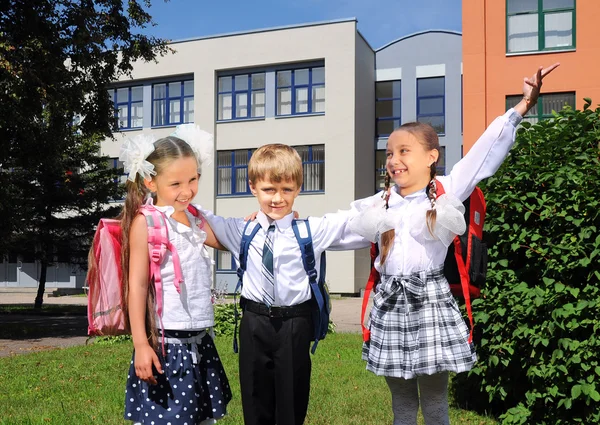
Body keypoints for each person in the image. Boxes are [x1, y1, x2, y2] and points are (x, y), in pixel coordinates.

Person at [349, 63, 560, 425]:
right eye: (389, 153)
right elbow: (337, 227)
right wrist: (288, 218)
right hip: (389, 303)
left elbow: (483, 154)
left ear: (432, 156)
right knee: (400, 405)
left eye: (404, 151)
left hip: (429, 301)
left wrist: (522, 106)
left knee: (433, 403)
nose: (394, 160)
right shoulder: (379, 202)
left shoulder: (448, 188)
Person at [201, 144, 369, 425]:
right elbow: (195, 215)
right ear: (253, 187)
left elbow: (357, 216)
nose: (278, 198)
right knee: (255, 402)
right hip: (253, 323)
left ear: (298, 188)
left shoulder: (311, 229)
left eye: (287, 190)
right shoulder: (241, 229)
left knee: (292, 403)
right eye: (268, 190)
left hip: (295, 324)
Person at [120, 126, 231, 425]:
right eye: (176, 183)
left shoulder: (195, 218)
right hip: (167, 346)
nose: (187, 190)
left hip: (200, 342)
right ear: (151, 182)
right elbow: (137, 286)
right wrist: (141, 345)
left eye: (193, 179)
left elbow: (229, 241)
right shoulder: (148, 223)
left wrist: (262, 221)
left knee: (204, 420)